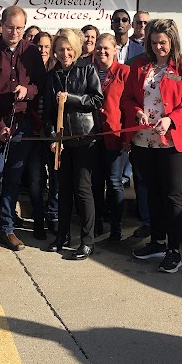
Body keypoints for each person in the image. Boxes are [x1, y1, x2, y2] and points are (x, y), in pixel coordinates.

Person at [122, 19, 182, 273]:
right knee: (152, 193)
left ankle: (173, 250)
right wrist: (137, 112)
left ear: (173, 41)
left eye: (163, 43)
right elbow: (128, 98)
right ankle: (157, 242)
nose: (158, 48)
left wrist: (170, 119)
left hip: (175, 142)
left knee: (173, 195)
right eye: (154, 43)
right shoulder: (139, 65)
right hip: (144, 141)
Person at [0, 5, 46, 257]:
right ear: (1, 26)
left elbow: (41, 84)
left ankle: (8, 228)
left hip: (22, 125)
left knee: (13, 179)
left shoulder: (32, 52)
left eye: (19, 28)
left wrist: (29, 90)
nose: (14, 32)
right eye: (9, 27)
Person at [44, 29, 104, 260]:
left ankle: (87, 241)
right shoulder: (53, 75)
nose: (65, 53)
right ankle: (62, 236)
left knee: (82, 189)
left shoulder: (87, 69)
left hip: (85, 138)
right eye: (60, 49)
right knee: (63, 189)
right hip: (62, 141)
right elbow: (48, 113)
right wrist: (53, 137)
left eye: (69, 49)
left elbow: (97, 99)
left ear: (76, 49)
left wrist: (71, 98)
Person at [92, 33, 130, 241]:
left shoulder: (124, 72)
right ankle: (96, 222)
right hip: (91, 135)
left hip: (115, 135)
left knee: (114, 182)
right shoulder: (89, 70)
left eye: (106, 48)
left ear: (115, 49)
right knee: (95, 182)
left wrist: (127, 137)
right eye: (99, 48)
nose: (102, 52)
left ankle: (116, 227)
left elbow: (130, 105)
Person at [27, 32, 59, 239]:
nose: (43, 50)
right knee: (35, 179)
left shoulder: (56, 72)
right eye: (39, 46)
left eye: (47, 46)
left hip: (52, 133)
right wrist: (37, 126)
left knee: (56, 178)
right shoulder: (28, 70)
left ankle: (53, 216)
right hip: (32, 133)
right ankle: (38, 218)